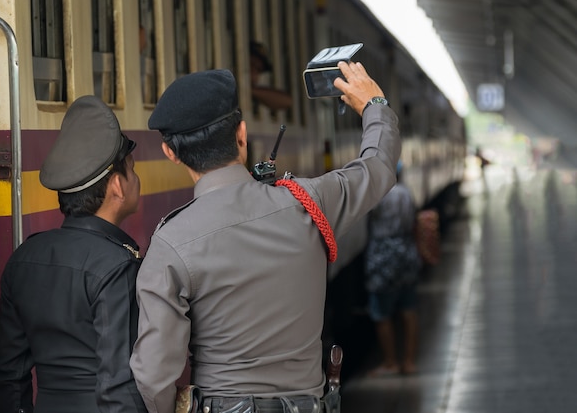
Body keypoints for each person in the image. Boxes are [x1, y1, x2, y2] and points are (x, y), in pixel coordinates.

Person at [130, 61, 401, 413]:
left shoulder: (169, 245)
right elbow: (379, 167)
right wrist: (374, 106)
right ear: (241, 135)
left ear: (171, 153)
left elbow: (153, 375)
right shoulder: (309, 203)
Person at [0, 95, 147, 413]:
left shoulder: (24, 259)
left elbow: (10, 375)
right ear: (117, 186)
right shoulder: (117, 265)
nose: (135, 179)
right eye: (131, 170)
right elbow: (118, 381)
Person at [363, 161, 422, 376]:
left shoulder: (377, 195)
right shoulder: (406, 192)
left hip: (382, 256)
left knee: (382, 312)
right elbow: (414, 223)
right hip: (406, 251)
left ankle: (390, 362)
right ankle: (409, 361)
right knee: (409, 309)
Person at [249, 41, 293, 111]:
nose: (254, 72)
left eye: (259, 70)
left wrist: (249, 90)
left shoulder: (254, 91)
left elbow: (287, 101)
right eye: (252, 64)